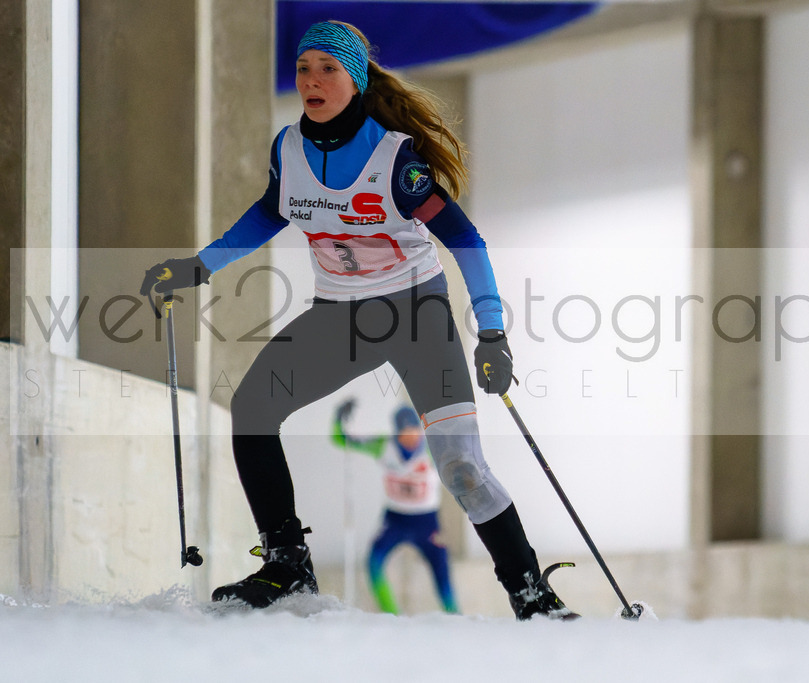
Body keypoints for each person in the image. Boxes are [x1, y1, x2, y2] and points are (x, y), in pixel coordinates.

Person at [140, 19, 575, 620]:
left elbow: (465, 239)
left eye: (328, 69)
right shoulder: (288, 148)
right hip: (340, 317)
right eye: (303, 68)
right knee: (253, 408)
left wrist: (492, 331)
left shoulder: (395, 159)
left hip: (416, 314)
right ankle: (288, 566)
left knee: (461, 468)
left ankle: (532, 596)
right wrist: (197, 267)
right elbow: (269, 212)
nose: (311, 81)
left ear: (356, 80)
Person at [333, 400, 457, 615]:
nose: (410, 439)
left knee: (442, 568)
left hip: (426, 521)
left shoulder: (432, 449)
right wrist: (338, 420)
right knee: (374, 563)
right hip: (395, 520)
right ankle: (392, 615)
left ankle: (454, 614)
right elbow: (342, 440)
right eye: (404, 434)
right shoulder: (383, 445)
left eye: (414, 432)